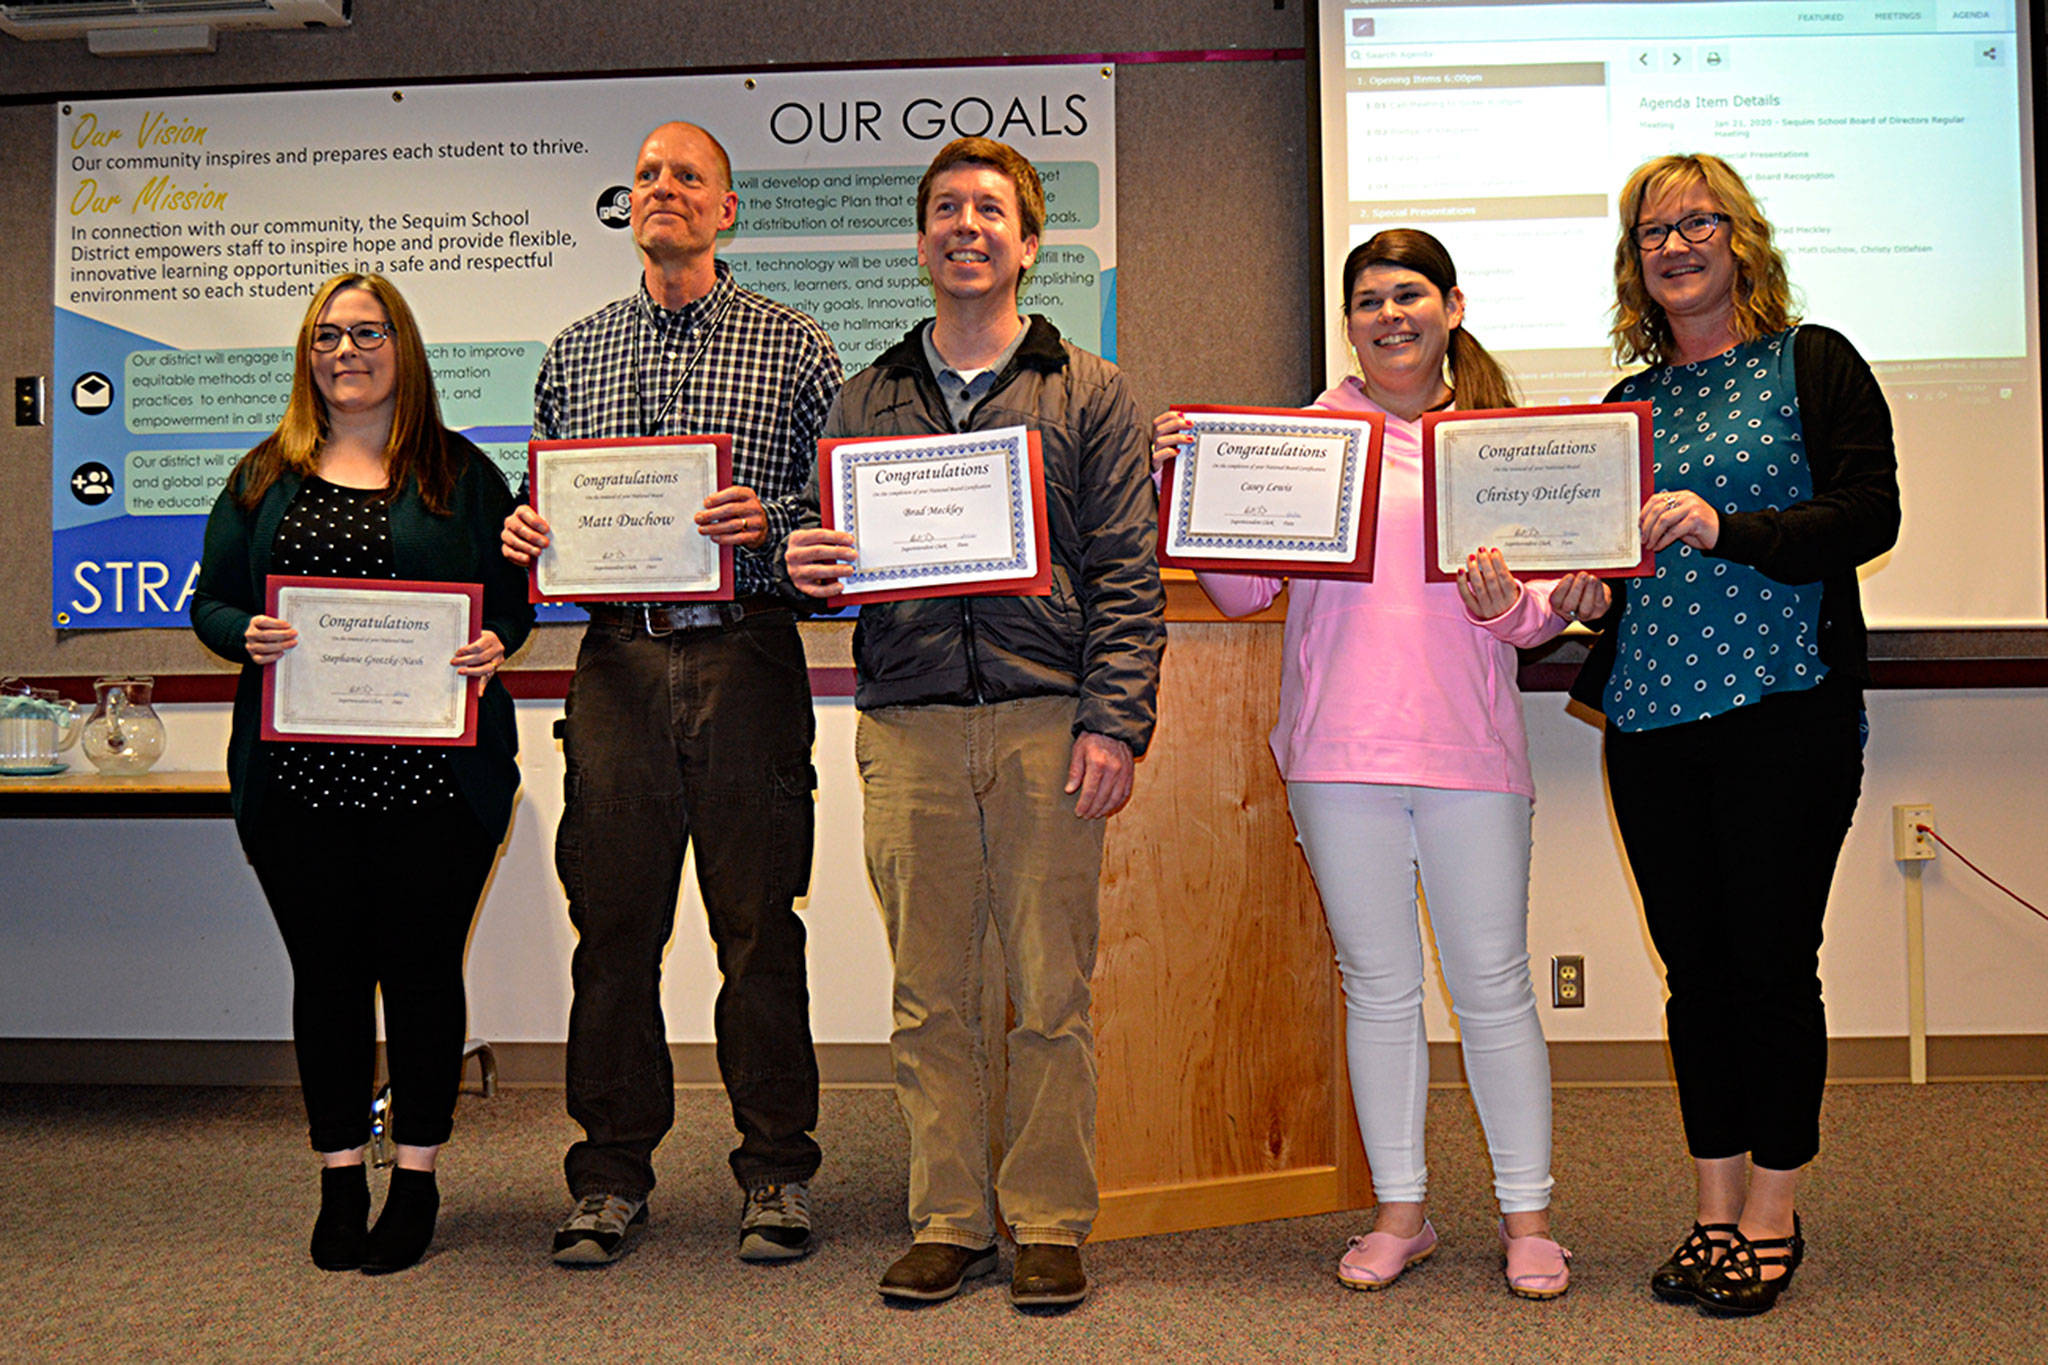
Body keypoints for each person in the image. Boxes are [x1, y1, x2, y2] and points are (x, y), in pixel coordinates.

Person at [1154, 229, 1610, 1300]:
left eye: (1409, 294)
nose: (1388, 314)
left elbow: (1536, 618)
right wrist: (1193, 485)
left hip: (1468, 756)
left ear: (1451, 307)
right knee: (1379, 988)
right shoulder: (1303, 438)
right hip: (1335, 753)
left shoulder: (1497, 443)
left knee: (1492, 988)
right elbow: (1239, 595)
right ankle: (1400, 1211)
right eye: (1367, 300)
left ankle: (1526, 1217)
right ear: (1347, 321)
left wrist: (1533, 608)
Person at [783, 137, 1163, 1309]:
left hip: (1046, 722)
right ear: (921, 239)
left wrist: (1115, 724)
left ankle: (1048, 1217)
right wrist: (811, 562)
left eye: (989, 210)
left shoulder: (1089, 392)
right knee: (927, 991)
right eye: (944, 208)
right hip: (906, 727)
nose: (965, 226)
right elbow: (825, 554)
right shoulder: (863, 396)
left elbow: (1126, 577)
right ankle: (947, 1216)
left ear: (1027, 242)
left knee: (1050, 988)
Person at [498, 121, 842, 1267]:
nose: (664, 191)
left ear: (726, 209)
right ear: (627, 206)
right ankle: (606, 1176)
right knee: (614, 930)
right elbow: (543, 515)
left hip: (745, 656)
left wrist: (774, 526)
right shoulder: (575, 350)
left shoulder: (794, 347)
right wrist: (526, 532)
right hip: (616, 666)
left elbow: (830, 522)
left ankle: (777, 1174)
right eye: (646, 176)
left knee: (757, 929)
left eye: (688, 176)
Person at [1570, 154, 1900, 1316]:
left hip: (1782, 707)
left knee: (1768, 967)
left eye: (1696, 222)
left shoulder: (1813, 363)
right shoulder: (1622, 406)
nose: (1674, 245)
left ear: (1740, 239)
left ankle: (1771, 1210)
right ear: (1634, 262)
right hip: (1650, 721)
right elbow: (1616, 565)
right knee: (1693, 977)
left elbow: (1869, 515)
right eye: (1651, 232)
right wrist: (1584, 596)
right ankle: (1711, 1208)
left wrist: (1730, 525)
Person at [190, 272, 534, 1275]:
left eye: (368, 333)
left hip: (439, 786)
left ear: (402, 348)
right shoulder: (263, 475)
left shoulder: (461, 475)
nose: (348, 351)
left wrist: (492, 646)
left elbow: (509, 602)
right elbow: (209, 602)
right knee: (328, 980)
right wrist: (242, 632)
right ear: (308, 356)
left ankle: (416, 1175)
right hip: (299, 786)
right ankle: (341, 1172)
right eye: (328, 336)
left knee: (424, 976)